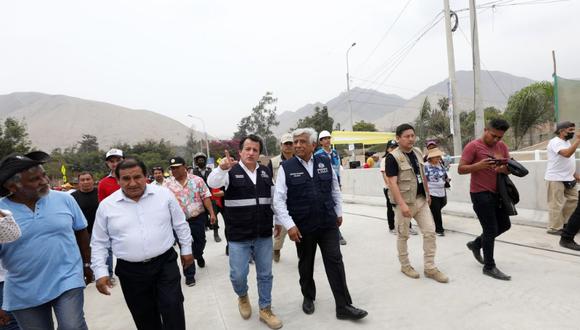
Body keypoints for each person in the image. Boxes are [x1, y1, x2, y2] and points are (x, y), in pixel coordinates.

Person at [274, 128, 368, 320]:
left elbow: (334, 188)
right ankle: (308, 297)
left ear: (313, 145)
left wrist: (338, 212)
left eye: (302, 141)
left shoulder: (324, 161)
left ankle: (343, 306)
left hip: (327, 223)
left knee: (335, 262)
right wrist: (289, 225)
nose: (298, 145)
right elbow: (279, 200)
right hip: (303, 226)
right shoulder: (287, 167)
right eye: (295, 141)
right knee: (306, 264)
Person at [91, 158, 194, 330]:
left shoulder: (163, 195)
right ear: (117, 180)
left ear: (146, 176)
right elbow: (99, 242)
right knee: (144, 317)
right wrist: (100, 271)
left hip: (165, 264)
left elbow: (180, 223)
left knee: (173, 307)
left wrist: (187, 249)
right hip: (130, 272)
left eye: (137, 177)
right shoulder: (106, 206)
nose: (132, 183)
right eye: (125, 179)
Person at [0, 151, 91, 329]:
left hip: (67, 278)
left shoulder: (65, 199)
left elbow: (81, 231)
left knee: (72, 326)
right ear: (13, 186)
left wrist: (86, 264)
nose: (45, 181)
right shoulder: (1, 211)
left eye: (44, 174)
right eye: (35, 179)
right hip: (23, 290)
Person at [207, 135, 283, 330]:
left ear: (259, 153)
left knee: (265, 274)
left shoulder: (265, 172)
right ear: (240, 152)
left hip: (263, 234)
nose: (251, 153)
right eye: (247, 149)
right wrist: (221, 168)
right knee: (238, 275)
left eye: (255, 150)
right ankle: (242, 296)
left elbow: (273, 200)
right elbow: (212, 182)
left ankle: (265, 309)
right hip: (238, 236)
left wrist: (279, 221)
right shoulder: (229, 171)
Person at [385, 124, 448, 283]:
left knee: (430, 232)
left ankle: (430, 267)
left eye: (412, 135)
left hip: (421, 200)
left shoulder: (418, 152)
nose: (411, 138)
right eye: (407, 136)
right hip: (404, 204)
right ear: (398, 138)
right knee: (403, 236)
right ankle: (405, 265)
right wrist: (403, 205)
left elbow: (422, 174)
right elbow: (392, 183)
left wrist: (427, 193)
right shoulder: (392, 158)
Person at [458, 118, 513, 281]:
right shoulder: (473, 146)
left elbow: (508, 167)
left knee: (504, 225)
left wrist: (504, 168)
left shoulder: (502, 147)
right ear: (485, 130)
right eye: (493, 135)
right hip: (480, 193)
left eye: (499, 137)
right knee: (490, 229)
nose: (496, 140)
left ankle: (476, 244)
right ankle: (489, 266)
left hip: (499, 193)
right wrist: (478, 166)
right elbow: (461, 169)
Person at [164, 156, 216, 286]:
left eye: (177, 167)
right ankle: (189, 274)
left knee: (200, 242)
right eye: (172, 168)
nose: (174, 170)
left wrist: (212, 213)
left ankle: (198, 255)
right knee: (184, 247)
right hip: (179, 223)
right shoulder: (167, 184)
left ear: (185, 166)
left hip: (197, 218)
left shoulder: (197, 180)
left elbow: (206, 197)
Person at [544, 121, 580, 235]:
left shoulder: (568, 142)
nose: (573, 132)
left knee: (574, 200)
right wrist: (578, 140)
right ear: (561, 131)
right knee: (556, 204)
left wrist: (575, 175)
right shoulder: (555, 142)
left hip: (569, 177)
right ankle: (554, 228)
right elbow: (566, 154)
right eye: (570, 130)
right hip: (555, 178)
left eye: (573, 130)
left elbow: (568, 161)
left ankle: (566, 224)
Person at [314, 130, 347, 245]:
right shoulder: (317, 155)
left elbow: (338, 169)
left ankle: (333, 231)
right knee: (329, 209)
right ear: (320, 141)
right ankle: (336, 234)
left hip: (335, 183)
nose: (327, 140)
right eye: (324, 138)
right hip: (324, 186)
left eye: (329, 137)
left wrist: (339, 183)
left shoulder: (335, 153)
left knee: (335, 207)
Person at [267, 133, 294, 262]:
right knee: (280, 231)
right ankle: (276, 250)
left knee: (301, 229)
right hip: (281, 202)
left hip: (298, 200)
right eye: (286, 144)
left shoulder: (299, 159)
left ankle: (302, 252)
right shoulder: (273, 162)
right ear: (281, 146)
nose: (288, 146)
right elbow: (267, 181)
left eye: (290, 143)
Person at [424, 148, 449, 236]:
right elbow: (424, 180)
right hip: (432, 191)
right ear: (431, 157)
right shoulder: (426, 166)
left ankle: (432, 221)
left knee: (442, 204)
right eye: (436, 156)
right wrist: (427, 194)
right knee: (436, 210)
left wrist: (446, 179)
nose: (439, 158)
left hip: (441, 190)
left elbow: (444, 174)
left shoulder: (440, 164)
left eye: (439, 156)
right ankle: (439, 229)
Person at [380, 140, 398, 235]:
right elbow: (384, 174)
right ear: (388, 149)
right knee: (391, 207)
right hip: (389, 188)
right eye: (392, 147)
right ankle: (392, 227)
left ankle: (408, 226)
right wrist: (390, 186)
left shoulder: (399, 157)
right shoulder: (385, 160)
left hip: (399, 187)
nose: (394, 149)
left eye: (395, 147)